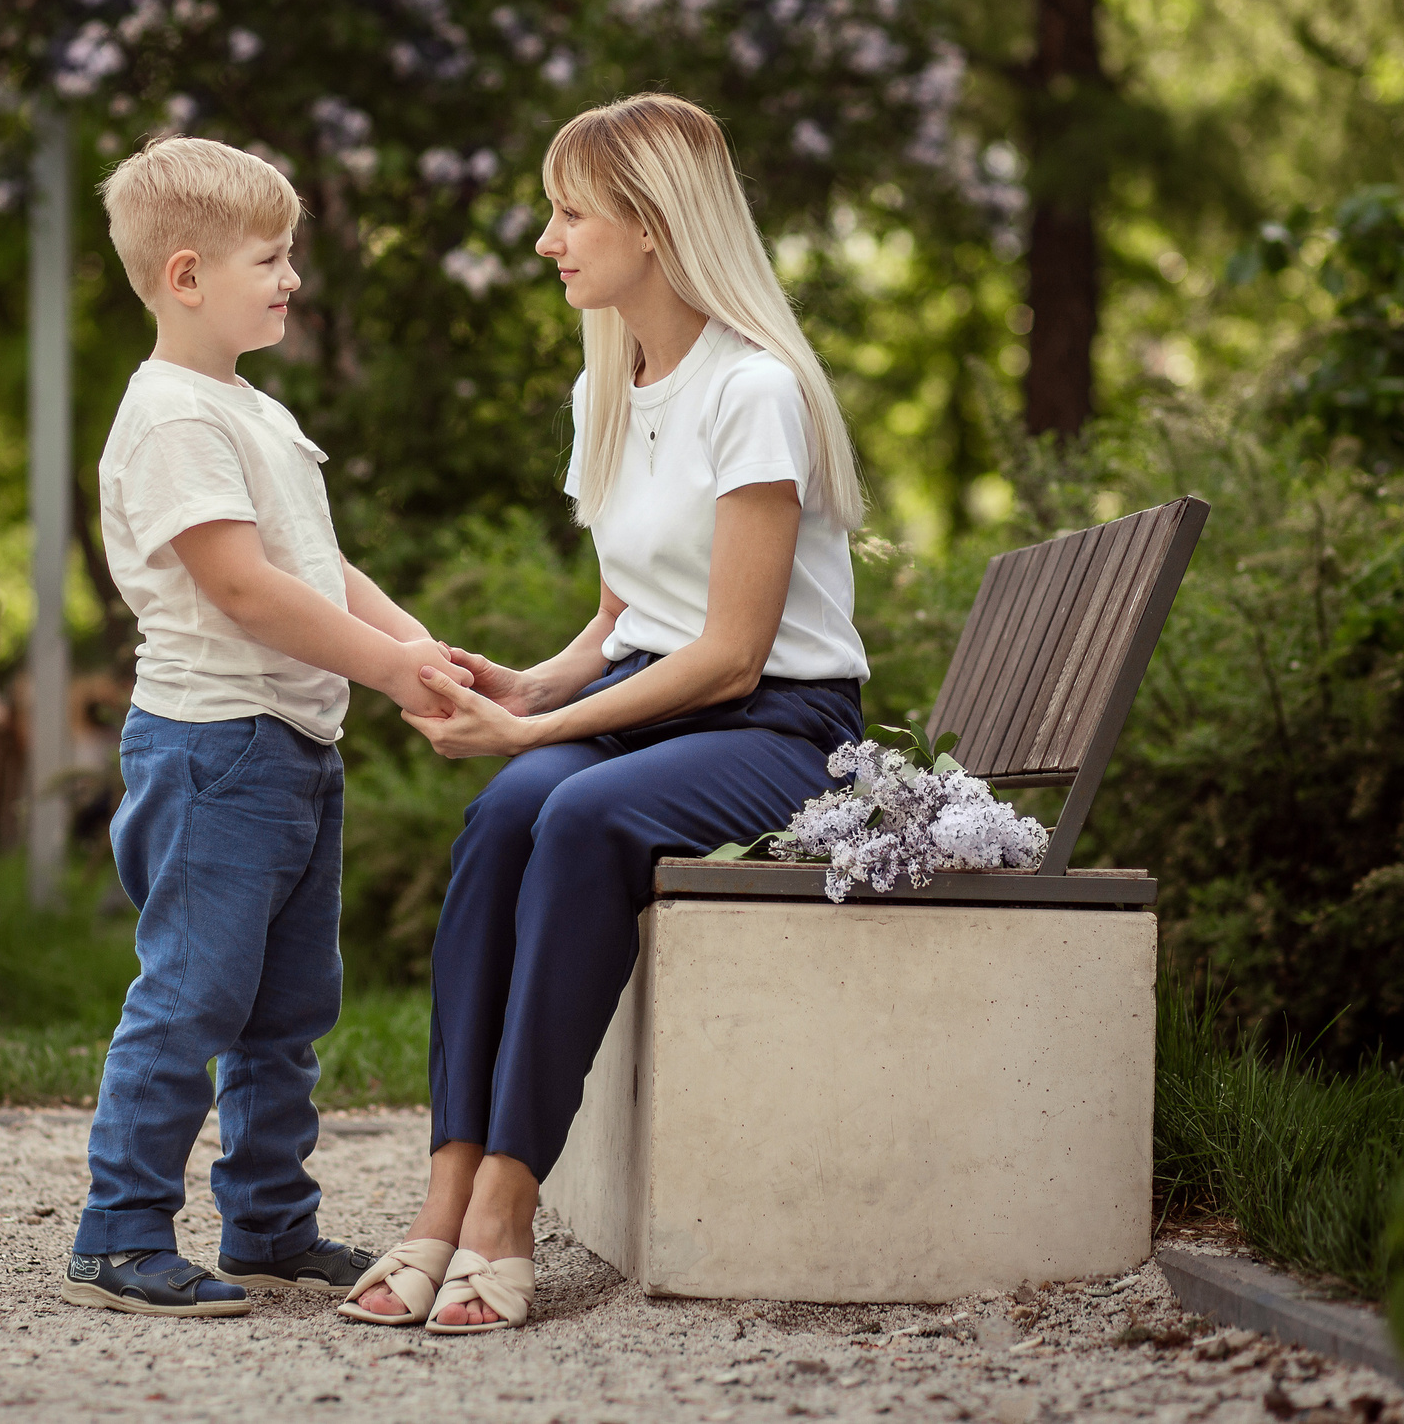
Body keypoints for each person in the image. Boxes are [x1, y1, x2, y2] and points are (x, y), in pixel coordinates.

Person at [339, 94, 869, 1334]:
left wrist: (540, 731)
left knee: (577, 814)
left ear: (652, 223)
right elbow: (624, 614)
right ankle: (445, 1191)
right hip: (648, 709)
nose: (547, 241)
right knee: (505, 814)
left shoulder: (755, 390)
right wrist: (532, 687)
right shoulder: (610, 390)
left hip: (780, 728)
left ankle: (506, 1205)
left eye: (569, 213)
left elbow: (732, 654)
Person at [63, 136, 471, 1318]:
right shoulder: (170, 417)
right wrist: (390, 674)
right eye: (271, 257)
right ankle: (118, 1234)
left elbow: (315, 565)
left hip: (291, 746)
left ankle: (268, 1224)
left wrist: (420, 649)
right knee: (191, 997)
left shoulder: (251, 410)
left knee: (288, 1010)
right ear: (186, 276)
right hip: (214, 748)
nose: (292, 277)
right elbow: (243, 589)